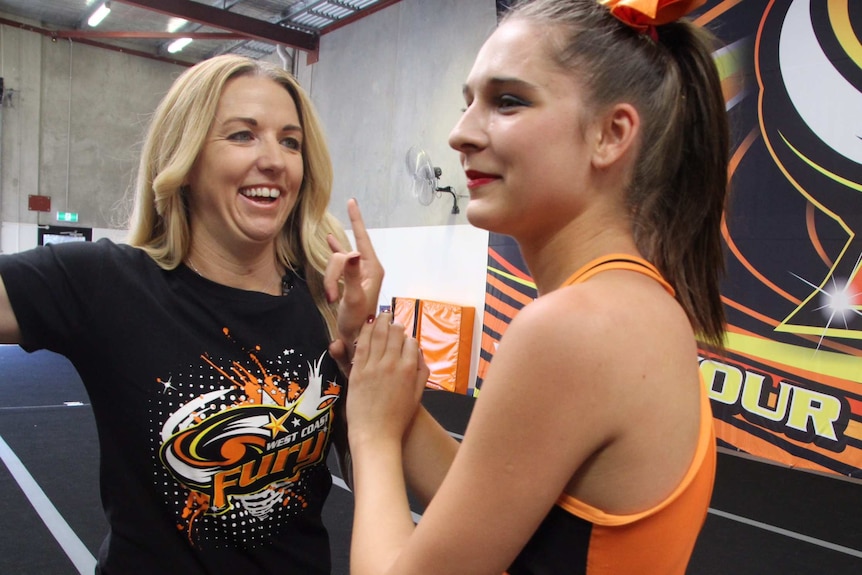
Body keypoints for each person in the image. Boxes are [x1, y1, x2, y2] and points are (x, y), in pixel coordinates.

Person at [343, 0, 729, 573]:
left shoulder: (574, 327)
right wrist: (371, 370)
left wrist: (371, 434)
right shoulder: (634, 305)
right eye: (466, 101)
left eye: (507, 101)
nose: (459, 133)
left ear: (610, 134)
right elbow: (492, 513)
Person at [0, 54, 382, 574]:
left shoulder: (325, 299)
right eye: (242, 135)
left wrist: (363, 350)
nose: (274, 159)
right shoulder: (108, 283)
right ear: (185, 159)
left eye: (290, 141)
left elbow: (375, 477)